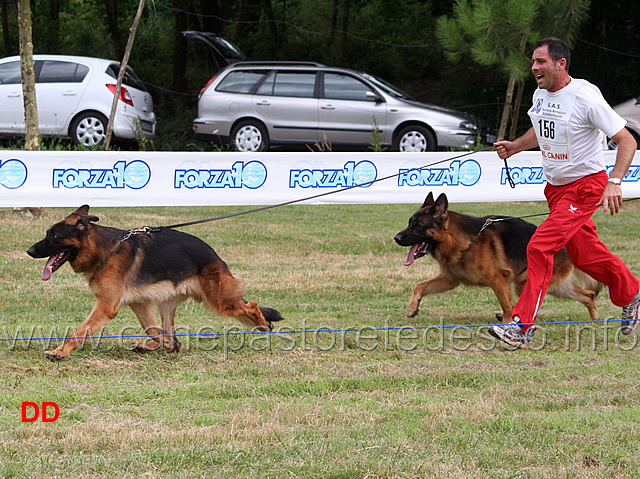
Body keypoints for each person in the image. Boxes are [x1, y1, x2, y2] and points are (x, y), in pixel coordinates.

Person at [490, 37, 640, 348]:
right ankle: (633, 292)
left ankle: (522, 326)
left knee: (539, 247)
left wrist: (615, 181)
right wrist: (516, 146)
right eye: (533, 62)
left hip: (585, 188)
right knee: (585, 254)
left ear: (561, 64)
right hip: (556, 191)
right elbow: (541, 127)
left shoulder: (585, 97)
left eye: (540, 62)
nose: (534, 67)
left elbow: (627, 141)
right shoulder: (540, 94)